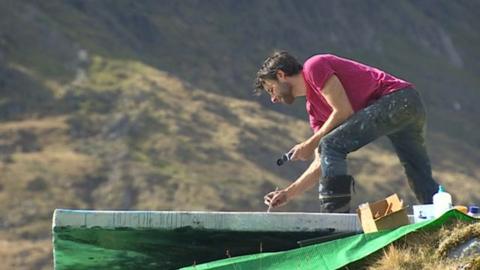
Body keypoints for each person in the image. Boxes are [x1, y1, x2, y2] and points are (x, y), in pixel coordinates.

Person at [256, 51, 439, 213]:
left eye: (271, 89)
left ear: (281, 75)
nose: (273, 98)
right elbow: (323, 161)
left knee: (330, 144)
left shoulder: (314, 66)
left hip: (398, 99)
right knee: (416, 171)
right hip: (410, 103)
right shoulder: (314, 110)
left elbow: (343, 111)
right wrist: (289, 193)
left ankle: (334, 218)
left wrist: (310, 143)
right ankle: (441, 217)